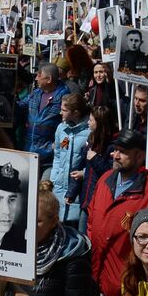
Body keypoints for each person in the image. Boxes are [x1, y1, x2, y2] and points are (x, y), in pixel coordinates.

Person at [86, 130, 148, 296]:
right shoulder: (106, 179)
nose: (115, 155)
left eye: (122, 152)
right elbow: (92, 219)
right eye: (115, 150)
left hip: (127, 287)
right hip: (96, 278)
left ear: (139, 156)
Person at [52, 93, 90, 226]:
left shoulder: (89, 131)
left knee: (73, 227)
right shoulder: (61, 128)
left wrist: (84, 173)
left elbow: (94, 161)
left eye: (64, 110)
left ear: (75, 112)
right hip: (59, 186)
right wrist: (54, 177)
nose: (60, 112)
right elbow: (57, 155)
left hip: (77, 189)